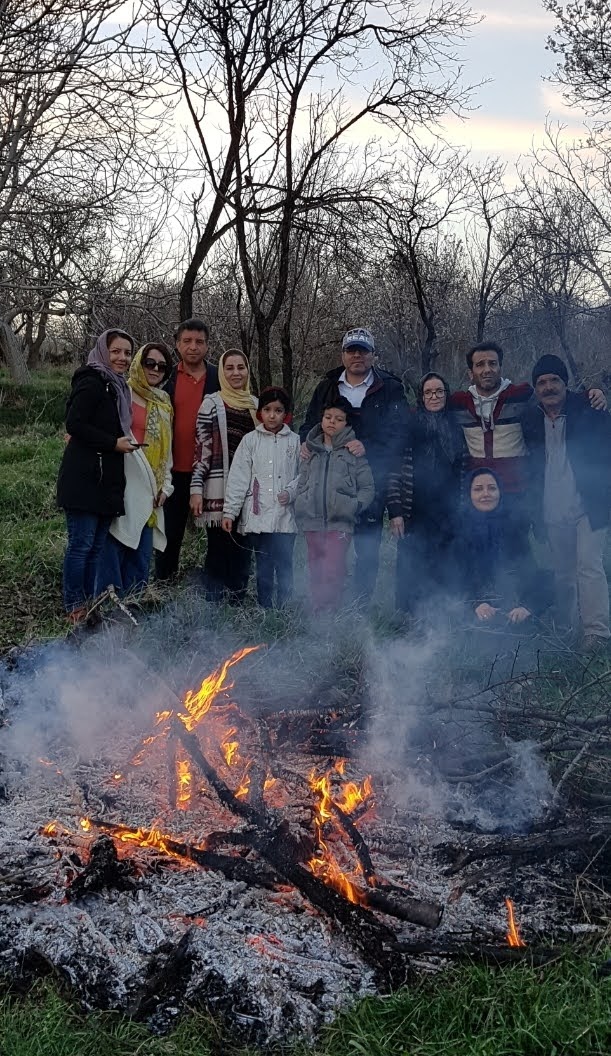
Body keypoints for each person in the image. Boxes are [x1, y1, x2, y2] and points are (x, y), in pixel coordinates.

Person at [449, 341, 606, 538]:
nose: (487, 369)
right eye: (480, 364)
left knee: (518, 557)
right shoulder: (458, 404)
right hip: (480, 494)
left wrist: (592, 395)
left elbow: (554, 397)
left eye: (492, 363)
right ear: (470, 373)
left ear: (500, 368)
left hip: (517, 493)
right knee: (480, 553)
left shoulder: (521, 396)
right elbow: (430, 406)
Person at [299, 327, 407, 601]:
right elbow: (309, 424)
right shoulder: (327, 386)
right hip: (331, 482)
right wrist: (305, 444)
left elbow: (400, 433)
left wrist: (367, 446)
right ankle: (326, 603)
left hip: (371, 479)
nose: (357, 355)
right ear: (343, 355)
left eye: (363, 350)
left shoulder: (390, 388)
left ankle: (360, 605)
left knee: (367, 547)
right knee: (329, 548)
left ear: (373, 355)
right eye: (351, 350)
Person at [522, 354, 611, 652]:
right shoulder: (530, 420)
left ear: (565, 383)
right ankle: (569, 628)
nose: (548, 388)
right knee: (563, 573)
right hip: (552, 508)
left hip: (589, 506)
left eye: (554, 381)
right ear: (535, 388)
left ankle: (596, 634)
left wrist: (598, 394)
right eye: (542, 383)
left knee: (589, 566)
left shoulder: (588, 408)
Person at [57, 329, 135, 622]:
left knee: (96, 548)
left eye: (127, 353)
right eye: (116, 351)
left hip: (107, 481)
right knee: (81, 545)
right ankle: (74, 606)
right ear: (103, 351)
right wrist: (113, 443)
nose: (122, 358)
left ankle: (88, 603)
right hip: (85, 480)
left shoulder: (117, 387)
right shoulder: (91, 381)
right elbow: (74, 424)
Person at [97, 342, 174, 596]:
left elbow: (167, 449)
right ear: (138, 363)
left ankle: (134, 612)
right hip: (123, 485)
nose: (155, 369)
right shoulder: (122, 393)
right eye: (149, 363)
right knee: (114, 548)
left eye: (161, 366)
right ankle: (107, 615)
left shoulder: (164, 402)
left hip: (152, 490)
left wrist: (166, 485)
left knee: (141, 559)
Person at [387, 372, 467, 614]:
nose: (434, 396)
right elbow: (393, 470)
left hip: (447, 509)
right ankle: (408, 618)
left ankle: (443, 617)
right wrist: (395, 511)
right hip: (415, 509)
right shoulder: (409, 425)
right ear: (421, 396)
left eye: (439, 391)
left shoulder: (455, 426)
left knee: (445, 564)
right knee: (412, 564)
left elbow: (463, 468)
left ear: (446, 394)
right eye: (429, 392)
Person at [222, 387, 300, 608]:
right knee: (263, 564)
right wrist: (230, 511)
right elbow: (238, 477)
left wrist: (291, 492)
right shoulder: (250, 441)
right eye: (267, 410)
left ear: (286, 414)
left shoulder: (294, 442)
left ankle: (285, 608)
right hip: (259, 517)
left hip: (285, 518)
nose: (272, 415)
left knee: (284, 564)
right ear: (260, 413)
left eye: (278, 410)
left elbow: (303, 475)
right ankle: (264, 607)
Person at [190, 349, 258, 601]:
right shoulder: (212, 403)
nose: (236, 373)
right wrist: (196, 489)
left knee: (243, 547)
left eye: (241, 367)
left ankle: (238, 600)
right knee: (219, 547)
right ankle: (214, 605)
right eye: (229, 368)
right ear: (221, 371)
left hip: (248, 492)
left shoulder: (256, 405)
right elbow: (202, 448)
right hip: (218, 487)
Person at [295, 397, 375, 612]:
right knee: (315, 567)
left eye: (339, 419)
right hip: (312, 520)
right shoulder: (311, 451)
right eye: (328, 417)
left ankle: (331, 614)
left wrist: (354, 506)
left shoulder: (353, 453)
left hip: (340, 523)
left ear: (347, 425)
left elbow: (367, 487)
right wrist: (301, 502)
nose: (332, 422)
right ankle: (316, 613)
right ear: (321, 420)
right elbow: (301, 480)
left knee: (333, 568)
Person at [155, 318, 219, 580]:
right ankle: (163, 584)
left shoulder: (220, 377)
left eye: (199, 342)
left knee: (216, 531)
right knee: (170, 533)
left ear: (207, 346)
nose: (193, 347)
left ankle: (215, 586)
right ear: (177, 344)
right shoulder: (165, 377)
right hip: (175, 470)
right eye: (187, 341)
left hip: (211, 470)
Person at [458, 468, 546, 627]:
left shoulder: (514, 527)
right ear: (469, 494)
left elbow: (528, 572)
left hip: (510, 606)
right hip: (473, 605)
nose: (486, 494)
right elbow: (456, 577)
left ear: (500, 492)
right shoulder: (458, 529)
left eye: (492, 488)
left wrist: (526, 606)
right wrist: (476, 604)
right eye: (478, 489)